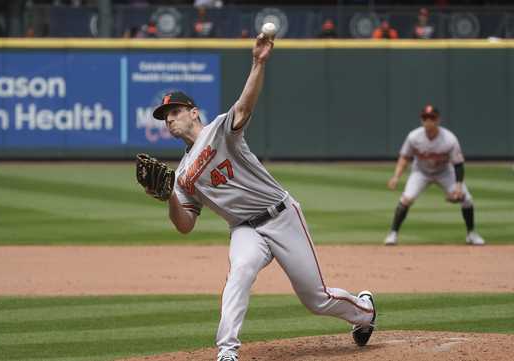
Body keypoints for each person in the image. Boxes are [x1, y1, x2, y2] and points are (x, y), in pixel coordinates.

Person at [150, 33, 376, 361]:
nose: (168, 118)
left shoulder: (219, 130)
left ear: (193, 112)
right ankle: (227, 352)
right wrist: (168, 197)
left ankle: (365, 311)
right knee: (239, 273)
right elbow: (185, 225)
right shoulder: (182, 174)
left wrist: (258, 62)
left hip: (281, 215)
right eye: (164, 115)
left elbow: (244, 105)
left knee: (316, 299)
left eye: (174, 110)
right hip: (244, 229)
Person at [384, 105, 486, 246]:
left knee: (466, 199)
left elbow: (458, 164)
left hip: (445, 172)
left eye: (432, 118)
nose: (428, 121)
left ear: (438, 120)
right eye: (425, 118)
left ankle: (471, 234)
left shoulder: (449, 139)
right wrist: (396, 176)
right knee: (406, 199)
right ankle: (393, 233)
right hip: (421, 172)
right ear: (421, 120)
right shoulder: (413, 137)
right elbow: (405, 157)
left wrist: (458, 186)